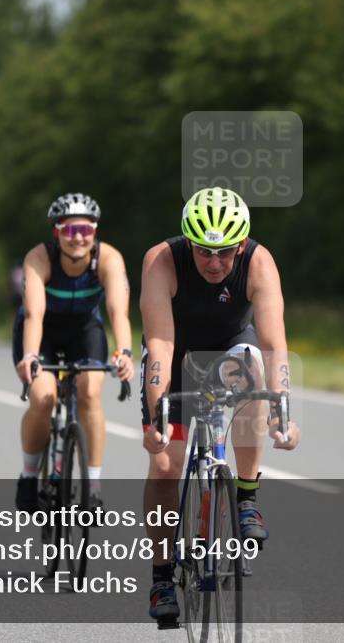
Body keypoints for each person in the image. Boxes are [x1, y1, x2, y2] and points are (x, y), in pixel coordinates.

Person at [138, 187, 301, 620]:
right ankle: (161, 578)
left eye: (225, 253)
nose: (213, 263)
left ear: (242, 246)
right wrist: (159, 412)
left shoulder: (260, 263)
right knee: (165, 467)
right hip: (177, 354)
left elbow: (272, 342)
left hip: (232, 348)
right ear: (188, 243)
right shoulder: (161, 260)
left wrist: (283, 407)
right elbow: (159, 342)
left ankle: (246, 497)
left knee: (252, 369)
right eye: (204, 252)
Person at [13, 193, 134, 512]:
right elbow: (34, 315)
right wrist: (30, 357)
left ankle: (92, 487)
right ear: (57, 233)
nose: (78, 237)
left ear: (95, 232)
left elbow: (118, 311)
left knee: (90, 393)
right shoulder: (39, 258)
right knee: (43, 398)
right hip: (43, 333)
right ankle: (28, 476)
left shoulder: (109, 259)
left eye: (86, 230)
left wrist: (124, 352)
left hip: (84, 331)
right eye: (69, 230)